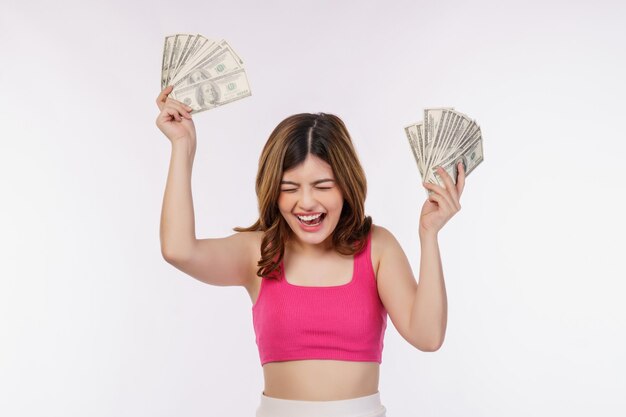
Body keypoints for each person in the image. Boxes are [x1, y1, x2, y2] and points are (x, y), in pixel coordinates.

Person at [155, 85, 465, 417]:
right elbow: (178, 250)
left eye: (322, 186)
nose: (306, 203)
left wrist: (429, 235)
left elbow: (428, 336)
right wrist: (182, 145)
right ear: (273, 191)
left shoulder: (377, 248)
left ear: (347, 186)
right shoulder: (258, 252)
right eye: (289, 188)